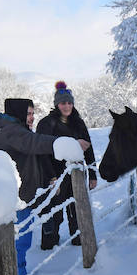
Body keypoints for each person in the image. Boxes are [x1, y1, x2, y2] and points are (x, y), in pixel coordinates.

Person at [0, 98, 67, 275]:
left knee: (20, 239)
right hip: (15, 199)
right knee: (19, 241)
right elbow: (35, 143)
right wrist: (64, 144)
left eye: (32, 113)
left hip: (20, 196)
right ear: (19, 113)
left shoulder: (13, 129)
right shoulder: (11, 131)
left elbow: (35, 154)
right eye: (28, 113)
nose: (31, 117)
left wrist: (50, 177)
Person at [36, 81, 96, 249]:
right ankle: (49, 245)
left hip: (76, 175)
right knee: (54, 213)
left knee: (77, 210)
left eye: (69, 102)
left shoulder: (78, 122)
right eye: (63, 103)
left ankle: (78, 240)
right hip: (54, 175)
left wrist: (92, 173)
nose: (67, 106)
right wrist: (51, 178)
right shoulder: (46, 124)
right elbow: (42, 153)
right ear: (57, 104)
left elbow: (88, 149)